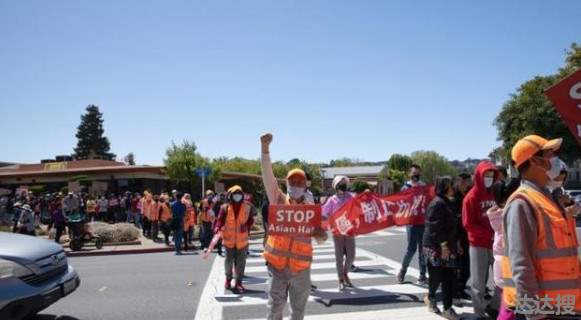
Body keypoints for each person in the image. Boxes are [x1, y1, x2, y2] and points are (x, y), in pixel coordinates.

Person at [502, 135, 581, 319]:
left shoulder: (547, 198)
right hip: (543, 311)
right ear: (534, 161)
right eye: (549, 154)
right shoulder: (522, 203)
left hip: (562, 307)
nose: (555, 159)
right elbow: (521, 263)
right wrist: (533, 313)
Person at [260, 133, 327, 320]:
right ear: (286, 183)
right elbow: (267, 175)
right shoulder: (278, 199)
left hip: (301, 269)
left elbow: (322, 238)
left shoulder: (311, 210)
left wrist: (320, 234)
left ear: (306, 185)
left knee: (298, 313)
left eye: (300, 182)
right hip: (277, 266)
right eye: (292, 181)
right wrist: (265, 150)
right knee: (274, 310)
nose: (296, 184)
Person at [462, 160, 500, 319]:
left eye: (492, 175)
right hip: (478, 245)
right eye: (486, 175)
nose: (489, 178)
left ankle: (494, 307)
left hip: (497, 244)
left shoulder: (496, 194)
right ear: (479, 176)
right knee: (478, 283)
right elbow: (468, 224)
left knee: (501, 280)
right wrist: (488, 234)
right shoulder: (470, 198)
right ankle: (478, 314)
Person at [422, 176, 460, 320]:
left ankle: (448, 308)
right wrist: (443, 245)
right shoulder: (437, 203)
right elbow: (434, 227)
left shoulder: (450, 202)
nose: (453, 188)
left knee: (449, 277)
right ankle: (431, 298)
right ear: (444, 187)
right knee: (437, 276)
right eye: (451, 185)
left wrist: (456, 243)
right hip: (435, 246)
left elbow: (453, 226)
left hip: (448, 245)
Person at [487, 179, 520, 320]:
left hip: (500, 265)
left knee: (506, 303)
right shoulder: (511, 214)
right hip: (510, 266)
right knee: (510, 306)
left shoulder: (497, 214)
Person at [214, 185, 256, 293]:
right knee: (228, 262)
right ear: (231, 195)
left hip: (242, 241)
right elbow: (220, 220)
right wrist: (218, 227)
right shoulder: (225, 207)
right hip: (229, 240)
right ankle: (228, 279)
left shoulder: (248, 206)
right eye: (235, 194)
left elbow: (252, 219)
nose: (237, 196)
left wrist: (247, 225)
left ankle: (239, 283)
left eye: (239, 193)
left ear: (242, 195)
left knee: (241, 263)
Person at [322, 175, 355, 290]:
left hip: (349, 229)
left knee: (351, 255)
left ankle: (345, 273)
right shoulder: (332, 200)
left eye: (344, 183)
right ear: (336, 186)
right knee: (339, 256)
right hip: (337, 231)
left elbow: (357, 209)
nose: (343, 185)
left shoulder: (351, 197)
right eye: (340, 183)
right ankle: (341, 278)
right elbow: (324, 213)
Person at [397, 164, 428, 285]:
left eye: (418, 173)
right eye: (414, 173)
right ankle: (402, 271)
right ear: (409, 174)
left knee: (423, 250)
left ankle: (422, 275)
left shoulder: (424, 187)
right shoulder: (405, 187)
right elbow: (399, 203)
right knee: (411, 249)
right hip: (411, 223)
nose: (416, 176)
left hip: (423, 222)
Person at [453, 172, 472, 303]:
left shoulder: (468, 194)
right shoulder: (454, 197)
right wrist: (457, 241)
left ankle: (461, 289)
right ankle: (456, 292)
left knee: (467, 268)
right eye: (465, 182)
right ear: (460, 181)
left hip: (467, 236)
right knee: (459, 267)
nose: (467, 184)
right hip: (457, 237)